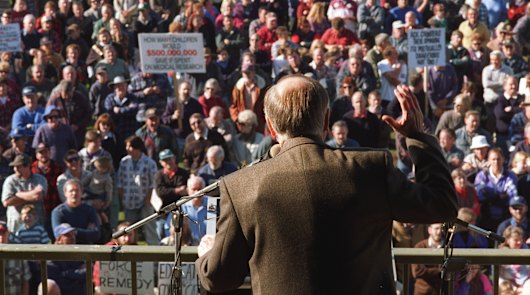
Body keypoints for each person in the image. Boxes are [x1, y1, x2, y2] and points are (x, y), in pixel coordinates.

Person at [196, 75, 457, 293]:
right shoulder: (370, 169)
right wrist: (417, 137)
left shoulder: (241, 186)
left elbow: (219, 278)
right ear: (326, 121)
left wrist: (206, 256)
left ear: (271, 129)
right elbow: (441, 204)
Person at [117, 136, 158, 245]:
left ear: (137, 147)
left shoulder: (149, 163)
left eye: (130, 146)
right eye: (127, 146)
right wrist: (122, 197)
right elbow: (120, 181)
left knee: (150, 229)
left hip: (146, 201)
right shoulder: (124, 162)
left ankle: (155, 254)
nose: (127, 148)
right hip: (128, 201)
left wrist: (148, 198)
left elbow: (153, 183)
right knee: (129, 231)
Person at [2, 154, 47, 233]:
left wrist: (19, 194)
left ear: (27, 166)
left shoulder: (40, 179)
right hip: (15, 227)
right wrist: (30, 195)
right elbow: (7, 202)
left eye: (18, 167)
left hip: (36, 227)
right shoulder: (10, 181)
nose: (15, 169)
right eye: (14, 166)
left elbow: (38, 196)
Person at [475, 148, 518, 230]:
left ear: (503, 159)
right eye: (493, 159)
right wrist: (499, 196)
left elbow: (512, 197)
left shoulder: (510, 176)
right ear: (489, 160)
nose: (496, 162)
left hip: (504, 215)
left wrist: (490, 196)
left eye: (498, 159)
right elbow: (480, 197)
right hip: (486, 216)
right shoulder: (482, 176)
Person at [51, 179, 101, 244]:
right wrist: (85, 232)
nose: (74, 193)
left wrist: (73, 231)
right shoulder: (58, 212)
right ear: (65, 193)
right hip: (66, 249)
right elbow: (58, 235)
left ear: (82, 192)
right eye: (71, 191)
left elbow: (96, 235)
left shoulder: (90, 210)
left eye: (77, 190)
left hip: (86, 249)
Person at [47, 223, 87, 295]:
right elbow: (60, 282)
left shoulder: (79, 253)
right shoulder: (51, 257)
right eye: (67, 235)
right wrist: (76, 275)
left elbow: (86, 272)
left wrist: (67, 273)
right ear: (59, 239)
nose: (72, 237)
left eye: (73, 234)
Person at [0, 220, 31, 295]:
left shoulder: (19, 252)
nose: (1, 237)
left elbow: (25, 281)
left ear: (8, 233)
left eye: (3, 233)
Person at [411, 223, 444, 295]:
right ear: (430, 230)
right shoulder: (420, 246)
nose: (439, 232)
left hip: (439, 291)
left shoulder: (446, 247)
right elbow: (417, 272)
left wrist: (427, 271)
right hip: (422, 291)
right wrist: (439, 270)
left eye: (441, 228)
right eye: (436, 228)